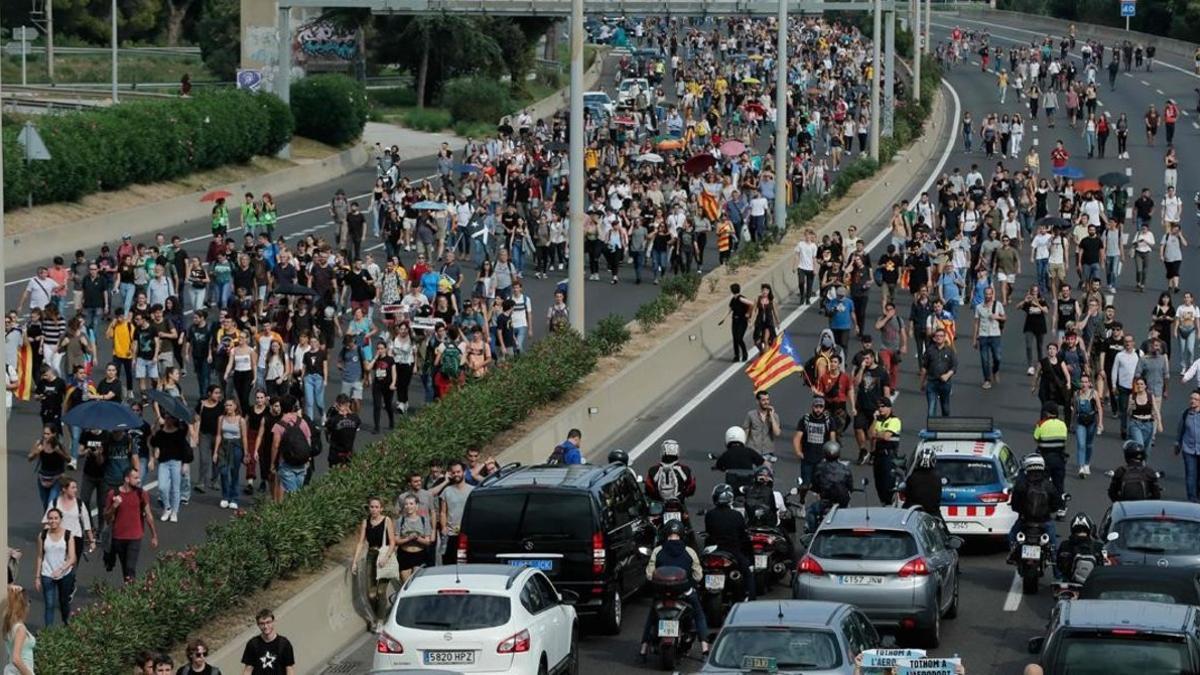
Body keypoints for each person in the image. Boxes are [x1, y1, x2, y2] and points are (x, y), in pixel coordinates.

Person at [638, 519, 710, 661]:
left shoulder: (658, 550)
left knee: (652, 617)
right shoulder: (690, 551)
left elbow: (649, 574)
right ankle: (705, 649)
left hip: (662, 593)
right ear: (681, 534)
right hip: (685, 592)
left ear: (665, 534)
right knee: (699, 614)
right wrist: (691, 583)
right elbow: (698, 575)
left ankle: (643, 649)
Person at [103, 467, 159, 583]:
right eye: (135, 478)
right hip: (118, 538)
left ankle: (132, 594)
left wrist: (154, 535)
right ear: (127, 479)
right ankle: (129, 592)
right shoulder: (113, 494)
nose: (139, 480)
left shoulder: (141, 494)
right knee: (125, 568)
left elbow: (148, 515)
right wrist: (114, 506)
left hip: (135, 538)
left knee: (130, 568)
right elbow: (106, 518)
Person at [703, 484, 754, 601]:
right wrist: (750, 558)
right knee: (748, 573)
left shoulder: (710, 515)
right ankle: (750, 600)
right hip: (733, 551)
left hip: (714, 551)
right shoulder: (737, 515)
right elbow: (744, 537)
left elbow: (709, 533)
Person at [350, 497, 395, 631]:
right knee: (371, 594)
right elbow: (361, 542)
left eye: (377, 507)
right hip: (371, 556)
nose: (374, 509)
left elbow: (392, 542)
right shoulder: (366, 522)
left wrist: (386, 557)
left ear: (381, 508)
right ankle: (376, 616)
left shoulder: (386, 520)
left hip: (384, 556)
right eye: (372, 507)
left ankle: (380, 620)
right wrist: (355, 562)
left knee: (381, 592)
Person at [1008, 454, 1063, 556]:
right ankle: (1057, 572)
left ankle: (1013, 556)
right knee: (1054, 548)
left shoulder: (1021, 484)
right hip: (1045, 521)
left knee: (1011, 536)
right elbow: (1057, 504)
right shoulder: (1048, 484)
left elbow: (1015, 504)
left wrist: (1022, 511)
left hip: (1025, 521)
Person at [35, 507, 77, 627]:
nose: (53, 521)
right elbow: (39, 556)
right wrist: (37, 577)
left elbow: (72, 558)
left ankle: (66, 625)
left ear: (60, 519)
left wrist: (61, 569)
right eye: (50, 518)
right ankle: (48, 633)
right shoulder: (42, 535)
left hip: (64, 574)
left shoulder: (68, 535)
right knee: (49, 604)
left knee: (64, 602)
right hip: (47, 574)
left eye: (56, 518)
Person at [1033, 402, 1070, 517]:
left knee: (1043, 483)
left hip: (1045, 459)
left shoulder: (1041, 424)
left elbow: (1036, 437)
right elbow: (1064, 438)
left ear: (1046, 413)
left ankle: (1044, 506)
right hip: (1059, 459)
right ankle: (1061, 508)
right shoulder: (1062, 424)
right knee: (1059, 484)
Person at [807, 441, 853, 532]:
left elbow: (815, 483)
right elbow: (850, 486)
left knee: (810, 512)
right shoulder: (845, 468)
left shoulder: (819, 467)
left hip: (825, 501)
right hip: (843, 502)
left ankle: (813, 534)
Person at [793, 397, 836, 486]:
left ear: (824, 408)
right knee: (805, 484)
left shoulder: (829, 421)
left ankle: (820, 500)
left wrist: (831, 454)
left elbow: (832, 439)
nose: (818, 410)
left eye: (821, 407)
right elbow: (797, 437)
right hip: (807, 458)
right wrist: (798, 452)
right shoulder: (805, 419)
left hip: (822, 459)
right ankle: (802, 499)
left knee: (821, 484)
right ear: (812, 407)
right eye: (816, 407)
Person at [240, 608, 295, 675]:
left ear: (273, 622)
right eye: (262, 623)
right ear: (258, 625)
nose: (265, 626)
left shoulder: (284, 644)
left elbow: (289, 669)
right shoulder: (253, 644)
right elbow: (248, 670)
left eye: (268, 622)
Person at [439, 460, 473, 564]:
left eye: (458, 472)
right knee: (449, 562)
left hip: (466, 534)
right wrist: (443, 527)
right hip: (451, 534)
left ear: (464, 472)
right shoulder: (446, 491)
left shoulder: (473, 490)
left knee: (462, 561)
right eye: (453, 472)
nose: (456, 474)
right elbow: (443, 512)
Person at [869, 398, 902, 505]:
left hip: (889, 456)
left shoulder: (894, 420)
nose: (880, 409)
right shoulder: (878, 420)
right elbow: (870, 434)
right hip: (878, 456)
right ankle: (883, 503)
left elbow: (886, 436)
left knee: (887, 483)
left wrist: (877, 434)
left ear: (889, 408)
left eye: (883, 406)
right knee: (878, 483)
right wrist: (875, 420)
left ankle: (889, 503)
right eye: (879, 407)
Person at [394, 493, 433, 581]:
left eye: (411, 504)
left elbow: (428, 541)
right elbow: (396, 540)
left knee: (417, 581)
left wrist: (417, 538)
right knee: (405, 583)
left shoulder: (424, 520)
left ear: (416, 505)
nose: (408, 506)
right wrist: (408, 538)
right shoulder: (400, 521)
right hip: (404, 554)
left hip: (420, 555)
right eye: (406, 504)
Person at [1056, 513, 1104, 585]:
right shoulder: (1098, 546)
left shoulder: (1065, 544)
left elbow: (1059, 564)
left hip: (1069, 582)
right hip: (1092, 583)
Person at [644, 439, 696, 504]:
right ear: (677, 451)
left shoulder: (653, 470)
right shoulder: (685, 470)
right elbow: (691, 487)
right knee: (685, 513)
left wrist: (655, 495)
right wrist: (683, 494)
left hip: (659, 505)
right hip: (679, 504)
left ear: (663, 451)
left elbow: (648, 487)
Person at [920, 328, 958, 417]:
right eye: (937, 336)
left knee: (945, 408)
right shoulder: (929, 351)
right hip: (932, 383)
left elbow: (954, 366)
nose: (939, 338)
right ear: (934, 338)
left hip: (945, 383)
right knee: (931, 410)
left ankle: (944, 427)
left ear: (945, 338)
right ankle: (932, 430)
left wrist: (947, 375)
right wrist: (922, 383)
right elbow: (924, 367)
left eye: (941, 336)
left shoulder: (950, 351)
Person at [4, 584, 35, 675]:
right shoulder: (20, 629)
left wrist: (13, 589)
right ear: (23, 606)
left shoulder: (9, 624)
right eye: (28, 602)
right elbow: (16, 659)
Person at [903, 447, 943, 516]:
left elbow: (907, 494)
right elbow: (938, 498)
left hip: (913, 512)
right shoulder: (937, 478)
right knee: (942, 526)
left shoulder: (912, 477)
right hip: (932, 513)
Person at [324, 394, 361, 467]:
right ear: (348, 404)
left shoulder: (333, 420)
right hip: (349, 452)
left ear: (337, 404)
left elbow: (327, 431)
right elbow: (357, 423)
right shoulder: (355, 418)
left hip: (335, 454)